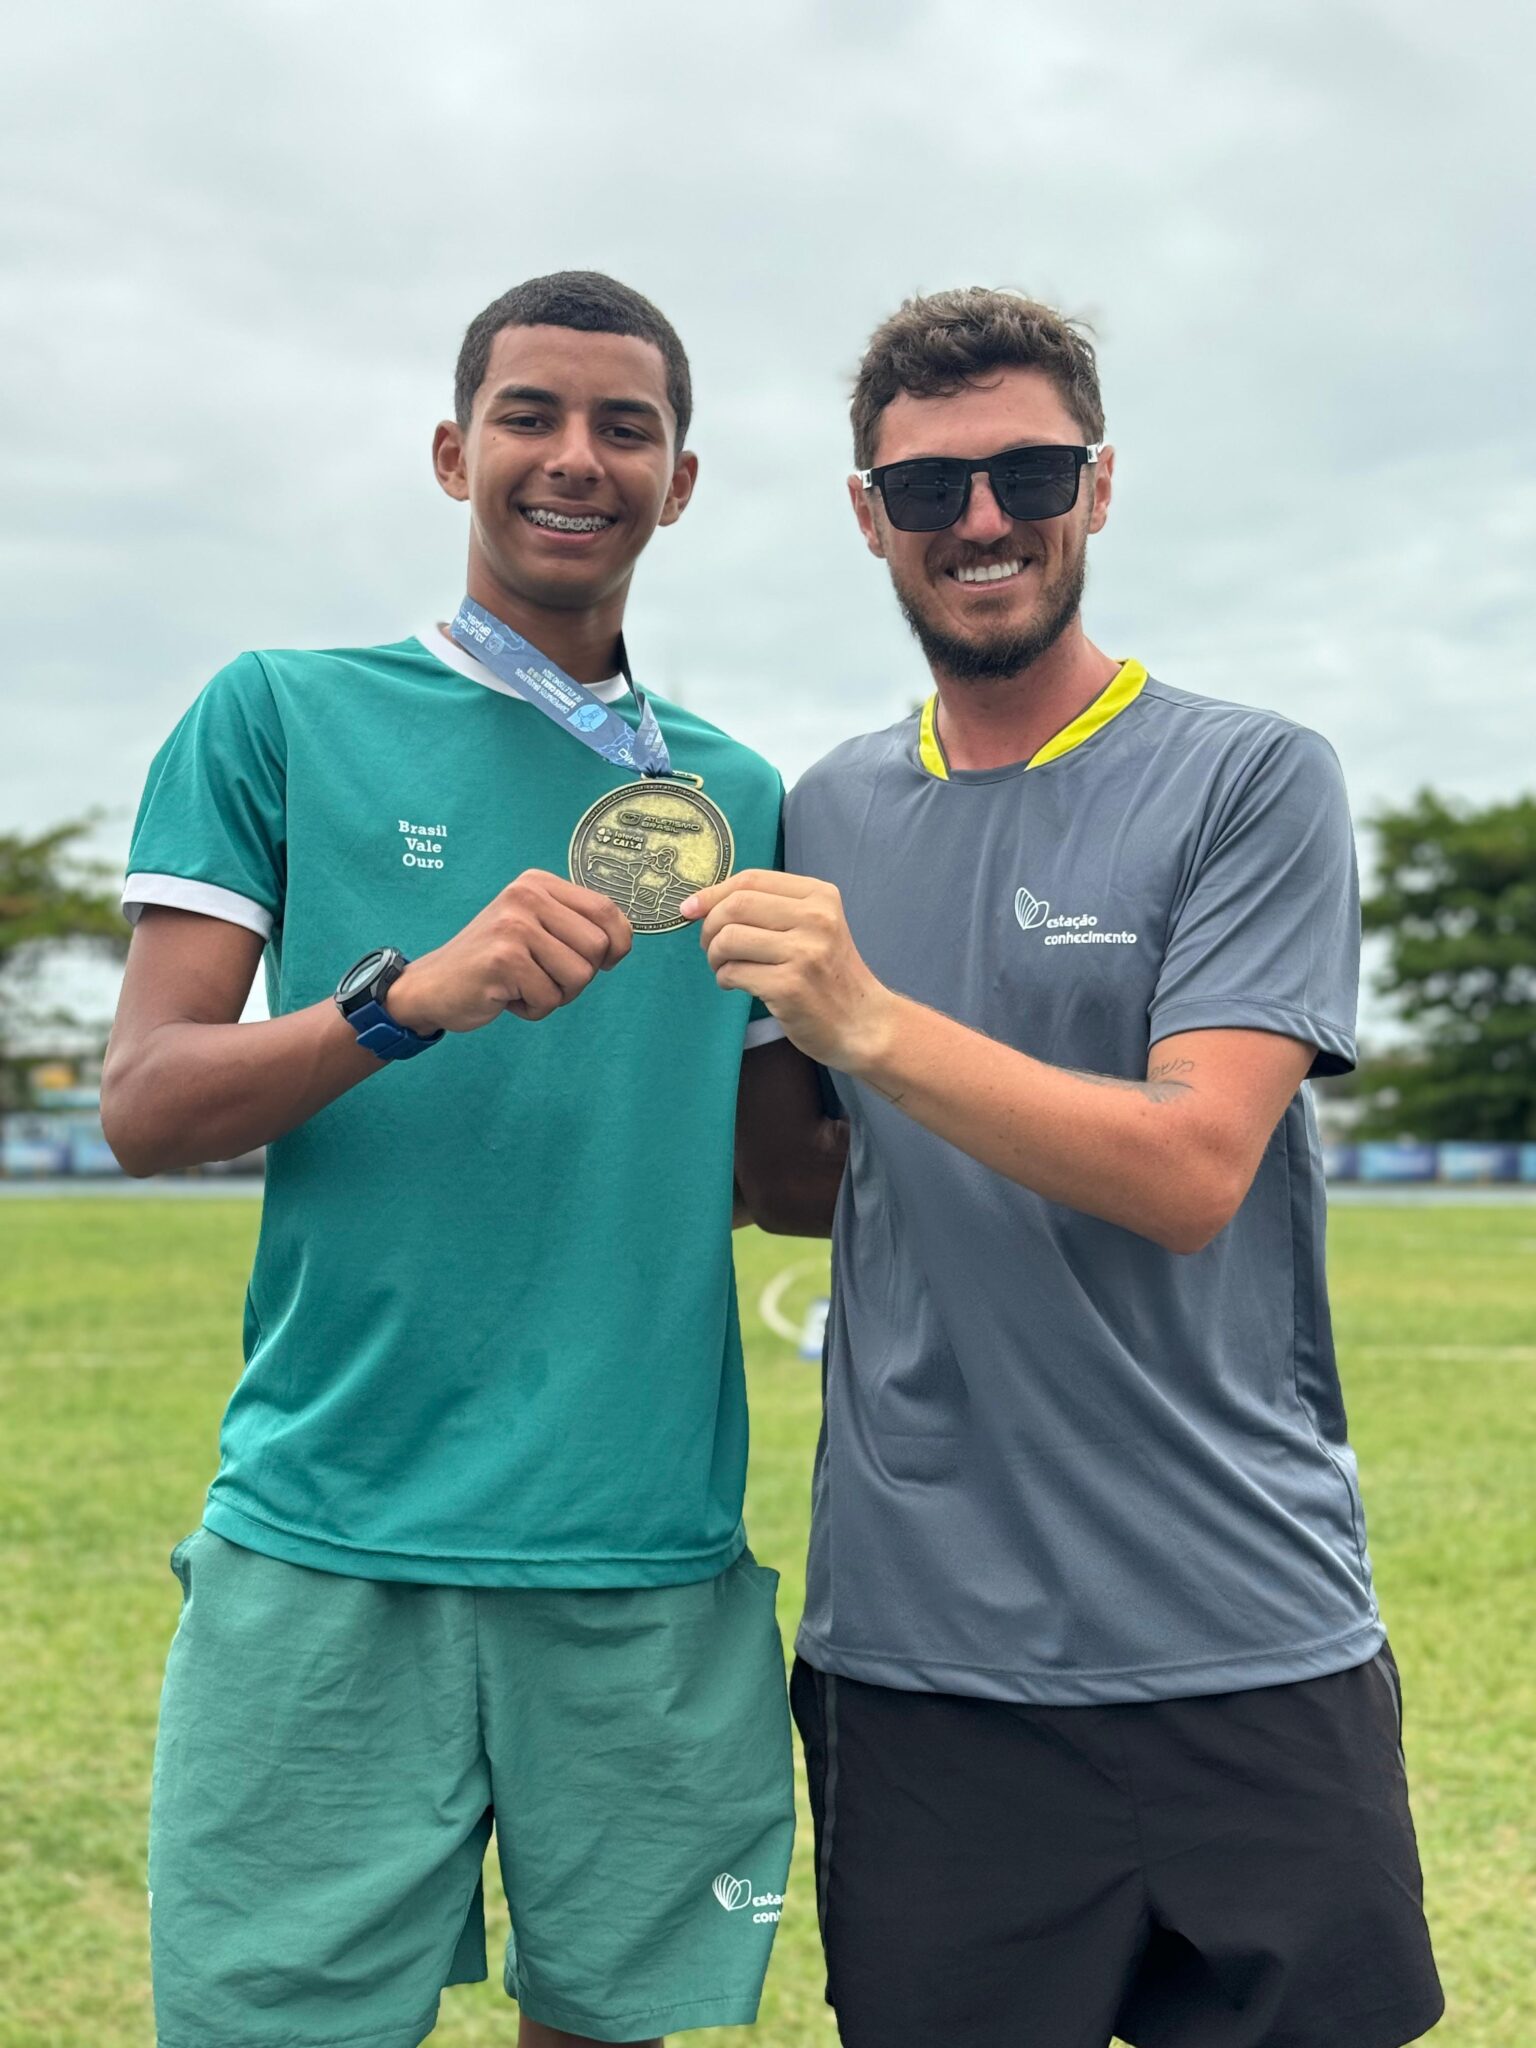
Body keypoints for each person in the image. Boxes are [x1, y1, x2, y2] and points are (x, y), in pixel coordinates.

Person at [683, 287, 1444, 2048]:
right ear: (865, 512)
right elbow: (805, 1183)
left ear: (1098, 486)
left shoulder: (1251, 778)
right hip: (921, 1668)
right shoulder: (825, 807)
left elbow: (1192, 1172)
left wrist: (863, 1018)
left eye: (1027, 471)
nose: (981, 521)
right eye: (928, 484)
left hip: (1241, 1638)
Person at [103, 270, 837, 2048]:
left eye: (625, 427)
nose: (575, 458)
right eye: (532, 416)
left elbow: (778, 1178)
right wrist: (395, 1006)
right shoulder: (278, 710)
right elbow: (144, 1101)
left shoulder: (733, 794)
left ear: (681, 480)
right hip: (334, 1535)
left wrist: (898, 1028)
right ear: (454, 451)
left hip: (640, 1549)